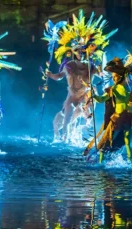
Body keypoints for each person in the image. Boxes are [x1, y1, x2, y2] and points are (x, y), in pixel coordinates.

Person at [43, 11, 116, 143]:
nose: (80, 53)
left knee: (80, 111)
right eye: (78, 50)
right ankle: (65, 141)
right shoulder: (69, 65)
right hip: (71, 96)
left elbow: (101, 74)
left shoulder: (91, 66)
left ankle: (84, 132)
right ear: (73, 51)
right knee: (67, 122)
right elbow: (58, 76)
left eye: (83, 50)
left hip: (85, 96)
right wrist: (50, 75)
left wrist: (106, 71)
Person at [84, 39, 132, 163]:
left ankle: (131, 164)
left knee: (128, 143)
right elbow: (101, 99)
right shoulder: (113, 89)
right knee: (105, 144)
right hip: (116, 119)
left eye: (115, 76)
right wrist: (94, 95)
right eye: (113, 77)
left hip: (129, 120)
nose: (113, 78)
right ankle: (101, 165)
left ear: (121, 76)